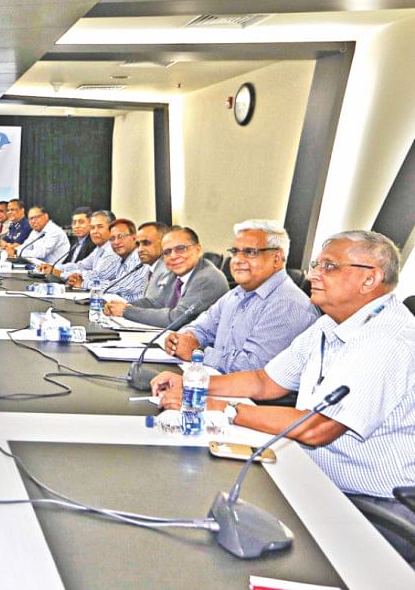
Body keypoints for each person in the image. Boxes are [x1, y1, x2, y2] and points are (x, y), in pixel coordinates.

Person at [151, 230, 415, 561]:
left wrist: (221, 408)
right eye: (316, 265)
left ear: (369, 278)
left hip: (372, 507)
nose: (313, 275)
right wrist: (193, 383)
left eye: (329, 267)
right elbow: (265, 382)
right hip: (311, 478)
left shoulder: (388, 340)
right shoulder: (331, 324)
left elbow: (318, 428)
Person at [161, 220, 319, 373]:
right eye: (235, 252)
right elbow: (202, 328)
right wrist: (180, 339)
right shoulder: (237, 293)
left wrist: (198, 353)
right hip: (214, 380)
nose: (237, 260)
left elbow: (255, 368)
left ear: (277, 258)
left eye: (250, 252)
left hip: (246, 391)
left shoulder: (288, 304)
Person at [105, 226, 228, 327]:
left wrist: (127, 311)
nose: (173, 256)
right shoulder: (176, 273)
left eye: (181, 249)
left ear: (198, 250)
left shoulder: (207, 278)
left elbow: (175, 319)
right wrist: (119, 306)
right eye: (167, 252)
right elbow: (156, 303)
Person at [37, 210, 118, 285]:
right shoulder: (100, 248)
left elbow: (97, 276)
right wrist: (53, 267)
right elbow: (81, 266)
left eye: (100, 227)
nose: (95, 231)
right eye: (92, 227)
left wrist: (61, 274)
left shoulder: (113, 249)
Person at [98, 218, 150, 302]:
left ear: (134, 238)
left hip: (134, 309)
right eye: (112, 239)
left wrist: (86, 283)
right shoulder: (120, 259)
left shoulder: (141, 259)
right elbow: (100, 275)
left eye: (121, 236)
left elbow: (123, 287)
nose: (116, 242)